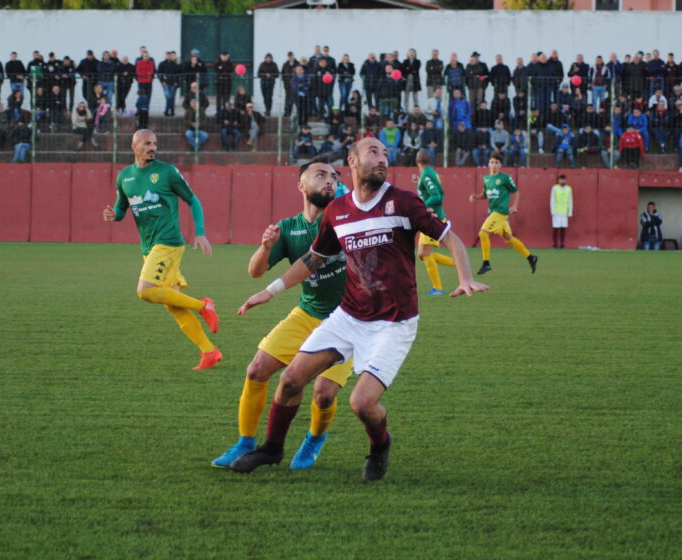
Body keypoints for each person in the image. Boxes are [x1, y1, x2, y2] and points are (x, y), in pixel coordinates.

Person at [230, 137, 488, 481]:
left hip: (394, 323)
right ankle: (272, 449)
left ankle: (380, 447)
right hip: (348, 317)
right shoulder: (338, 212)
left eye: (385, 153)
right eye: (373, 152)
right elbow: (313, 260)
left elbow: (450, 238)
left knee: (361, 403)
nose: (383, 158)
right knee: (291, 380)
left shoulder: (404, 202)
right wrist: (271, 290)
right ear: (352, 161)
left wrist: (465, 277)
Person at [211, 160, 351, 470]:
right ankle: (245, 442)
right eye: (321, 175)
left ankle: (314, 439)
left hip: (348, 321)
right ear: (301, 186)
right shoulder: (288, 228)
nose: (330, 180)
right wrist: (265, 247)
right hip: (307, 313)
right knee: (256, 370)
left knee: (323, 394)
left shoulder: (345, 219)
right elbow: (255, 272)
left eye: (333, 176)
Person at [103, 129, 221, 370]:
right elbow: (121, 209)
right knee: (174, 305)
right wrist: (113, 215)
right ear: (133, 146)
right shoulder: (124, 177)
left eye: (155, 143)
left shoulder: (167, 172)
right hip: (149, 247)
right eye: (147, 143)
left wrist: (199, 232)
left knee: (145, 291)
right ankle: (209, 352)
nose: (152, 147)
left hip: (168, 242)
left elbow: (193, 200)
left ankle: (203, 305)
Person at [470, 154, 538, 275]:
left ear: (500, 165)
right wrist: (475, 196)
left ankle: (486, 263)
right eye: (492, 162)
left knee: (483, 233)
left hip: (501, 212)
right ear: (488, 164)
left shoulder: (505, 178)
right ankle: (531, 257)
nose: (494, 165)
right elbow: (485, 194)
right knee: (509, 238)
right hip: (493, 212)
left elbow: (516, 192)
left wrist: (515, 206)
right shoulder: (486, 178)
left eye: (496, 162)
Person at [413, 150, 455, 296]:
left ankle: (438, 288)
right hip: (431, 218)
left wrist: (422, 207)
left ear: (417, 161)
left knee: (425, 253)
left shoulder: (426, 174)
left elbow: (437, 196)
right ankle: (456, 263)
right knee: (422, 254)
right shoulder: (428, 173)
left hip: (433, 218)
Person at [549, 174, 573, 249]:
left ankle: (562, 244)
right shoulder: (555, 188)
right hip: (556, 211)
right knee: (556, 228)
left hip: (564, 211)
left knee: (563, 228)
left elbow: (570, 200)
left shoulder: (569, 188)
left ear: (565, 180)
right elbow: (552, 199)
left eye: (563, 179)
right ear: (558, 180)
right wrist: (552, 211)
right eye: (561, 179)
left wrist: (570, 212)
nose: (562, 181)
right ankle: (555, 244)